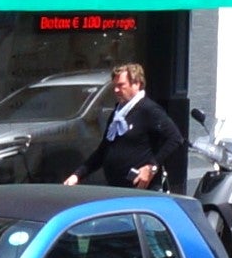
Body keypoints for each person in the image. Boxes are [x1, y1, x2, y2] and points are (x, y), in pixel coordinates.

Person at [69, 61, 189, 190]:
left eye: (121, 85)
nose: (116, 90)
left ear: (137, 84)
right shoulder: (118, 113)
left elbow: (175, 138)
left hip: (141, 190)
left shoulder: (149, 109)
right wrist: (78, 175)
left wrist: (151, 167)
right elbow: (104, 150)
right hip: (116, 187)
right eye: (115, 86)